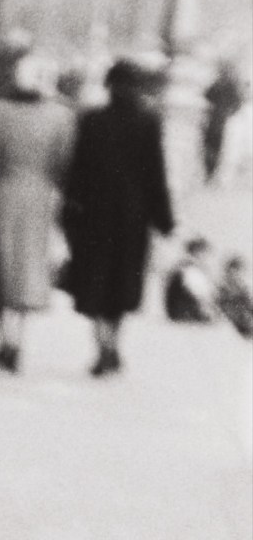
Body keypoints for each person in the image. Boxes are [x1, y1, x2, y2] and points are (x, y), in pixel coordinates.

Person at [61, 58, 174, 375]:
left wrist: (70, 211)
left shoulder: (92, 120)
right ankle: (113, 343)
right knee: (122, 283)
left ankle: (102, 345)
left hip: (94, 216)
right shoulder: (148, 122)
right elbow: (156, 174)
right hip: (132, 218)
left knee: (93, 282)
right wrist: (163, 218)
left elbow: (77, 171)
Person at [0, 50, 75, 371]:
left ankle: (2, 338)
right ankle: (18, 337)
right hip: (39, 197)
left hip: (3, 194)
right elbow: (64, 162)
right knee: (27, 267)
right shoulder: (62, 115)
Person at [202, 61, 245, 185]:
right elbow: (207, 95)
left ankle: (212, 173)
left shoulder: (228, 85)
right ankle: (210, 173)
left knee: (216, 146)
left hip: (222, 120)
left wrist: (230, 111)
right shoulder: (220, 84)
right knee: (211, 145)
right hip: (215, 119)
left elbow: (238, 102)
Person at [164, 234, 217, 322]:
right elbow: (198, 294)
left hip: (187, 309)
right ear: (195, 251)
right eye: (202, 252)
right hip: (183, 311)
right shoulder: (188, 268)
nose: (205, 256)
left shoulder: (195, 268)